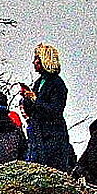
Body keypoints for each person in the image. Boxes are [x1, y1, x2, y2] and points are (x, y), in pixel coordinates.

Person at [20, 43, 76, 172]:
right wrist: (26, 99)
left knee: (51, 169)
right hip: (38, 133)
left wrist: (35, 99)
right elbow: (32, 110)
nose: (34, 62)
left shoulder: (57, 84)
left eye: (36, 59)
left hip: (53, 136)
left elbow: (55, 110)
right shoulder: (39, 82)